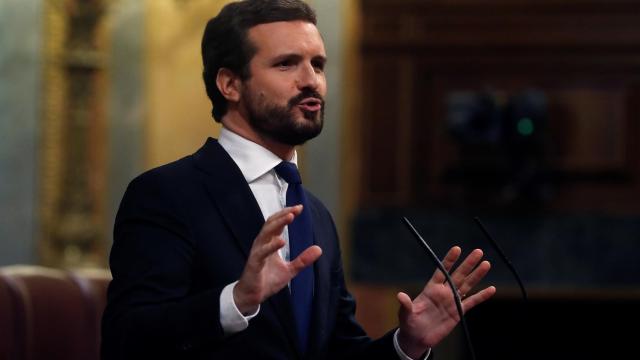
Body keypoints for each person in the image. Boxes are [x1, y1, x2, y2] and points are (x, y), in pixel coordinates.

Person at [100, 1, 497, 359]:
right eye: (287, 63)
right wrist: (236, 300)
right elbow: (126, 340)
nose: (311, 81)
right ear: (230, 84)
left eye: (318, 64)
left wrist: (407, 344)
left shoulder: (317, 215)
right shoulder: (167, 193)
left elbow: (337, 351)